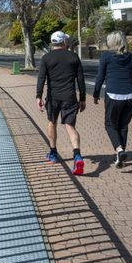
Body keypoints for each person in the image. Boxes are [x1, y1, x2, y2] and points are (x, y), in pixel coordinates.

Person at [36, 30, 87, 175]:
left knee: (52, 122)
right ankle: (77, 155)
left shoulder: (46, 58)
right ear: (64, 42)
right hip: (70, 97)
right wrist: (82, 98)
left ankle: (53, 153)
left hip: (53, 98)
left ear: (53, 43)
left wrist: (38, 96)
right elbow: (81, 80)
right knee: (70, 126)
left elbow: (41, 78)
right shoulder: (74, 57)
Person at [92, 30, 132, 168]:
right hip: (131, 96)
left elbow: (100, 77)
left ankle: (119, 150)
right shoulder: (131, 57)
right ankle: (120, 156)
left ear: (111, 42)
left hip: (114, 95)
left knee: (110, 124)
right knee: (123, 126)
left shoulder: (106, 57)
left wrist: (96, 94)